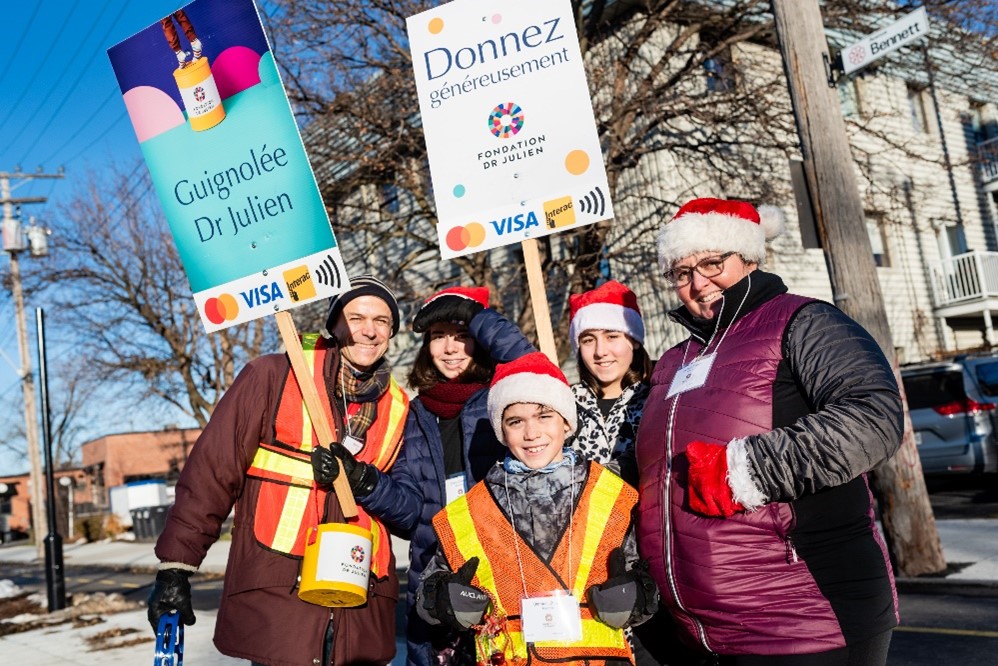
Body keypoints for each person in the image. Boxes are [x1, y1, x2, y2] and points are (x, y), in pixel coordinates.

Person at [637, 197, 903, 665]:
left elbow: (873, 416)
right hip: (706, 632)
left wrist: (746, 469)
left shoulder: (803, 321)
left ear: (749, 258)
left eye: (712, 263)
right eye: (682, 273)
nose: (698, 283)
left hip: (803, 619)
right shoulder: (674, 362)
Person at [147, 275, 410, 666]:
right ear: (334, 325)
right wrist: (176, 567)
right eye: (356, 318)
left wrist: (364, 480)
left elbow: (408, 507)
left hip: (360, 610)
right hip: (281, 600)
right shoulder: (273, 376)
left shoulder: (400, 407)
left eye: (382, 321)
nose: (369, 331)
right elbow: (212, 472)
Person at [416, 352, 660, 665]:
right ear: (502, 431)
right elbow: (428, 594)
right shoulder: (469, 511)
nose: (531, 433)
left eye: (544, 416)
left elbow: (649, 577)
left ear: (566, 422)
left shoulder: (612, 494)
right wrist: (443, 599)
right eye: (515, 421)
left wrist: (636, 595)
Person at [353, 285, 535, 666]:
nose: (450, 348)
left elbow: (530, 363)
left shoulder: (505, 397)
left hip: (502, 579)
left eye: (462, 335)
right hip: (433, 584)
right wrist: (367, 483)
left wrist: (477, 316)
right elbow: (409, 513)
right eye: (439, 336)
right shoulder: (414, 414)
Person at [568, 279, 651, 485]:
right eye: (588, 340)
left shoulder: (657, 400)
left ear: (634, 341)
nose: (600, 351)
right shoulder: (564, 405)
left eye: (612, 336)